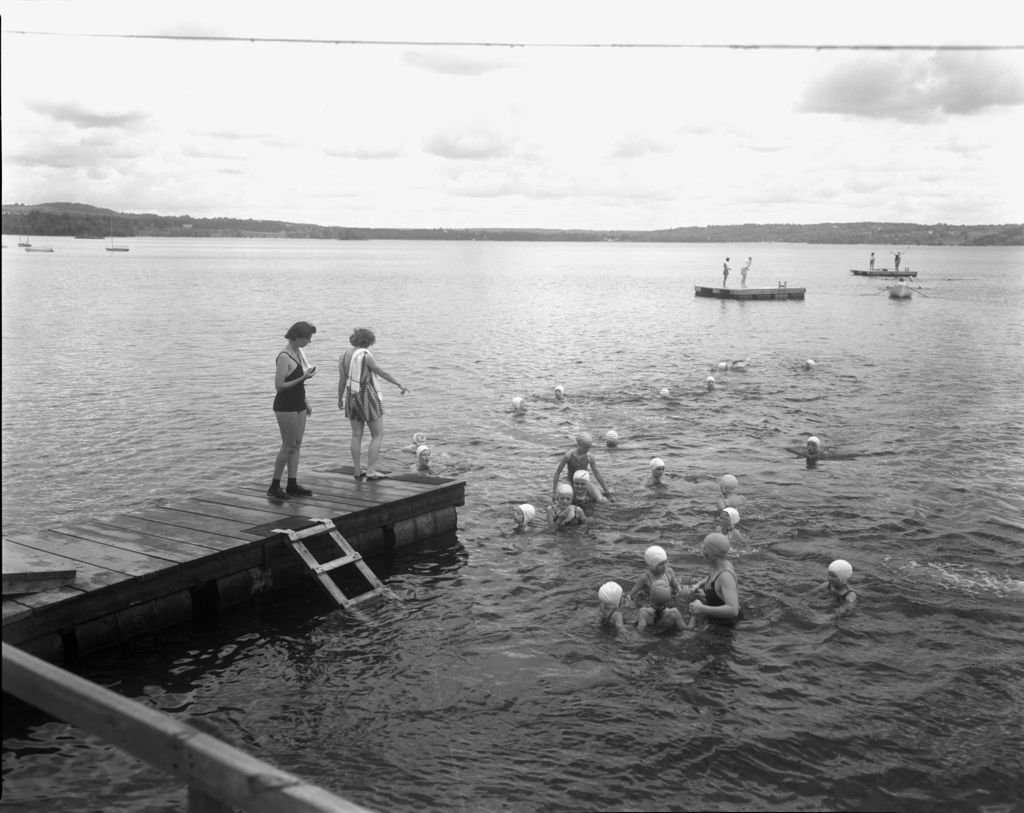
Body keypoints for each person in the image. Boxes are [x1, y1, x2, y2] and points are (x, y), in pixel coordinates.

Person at [338, 327, 408, 481]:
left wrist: (339, 399)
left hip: (351, 396)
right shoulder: (365, 356)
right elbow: (381, 372)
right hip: (366, 396)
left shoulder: (343, 356)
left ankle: (357, 470)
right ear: (369, 342)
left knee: (356, 434)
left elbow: (342, 381)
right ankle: (370, 470)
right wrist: (399, 384)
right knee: (377, 435)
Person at [269, 321, 318, 499]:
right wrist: (303, 377)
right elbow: (279, 386)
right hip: (285, 405)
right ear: (296, 337)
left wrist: (306, 401)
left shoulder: (298, 352)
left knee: (297, 444)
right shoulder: (284, 356)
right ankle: (274, 485)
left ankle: (292, 484)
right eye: (307, 338)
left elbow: (300, 384)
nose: (309, 342)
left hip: (299, 403)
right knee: (287, 446)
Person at [629, 546, 688, 631]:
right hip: (651, 607)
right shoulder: (645, 578)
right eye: (660, 564)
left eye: (665, 562)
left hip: (667, 603)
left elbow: (676, 590)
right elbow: (631, 595)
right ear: (651, 565)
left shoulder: (669, 572)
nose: (664, 566)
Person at [690, 533, 741, 622]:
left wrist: (702, 608)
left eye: (704, 548)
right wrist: (699, 584)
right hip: (717, 620)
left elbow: (733, 610)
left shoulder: (725, 576)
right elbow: (714, 578)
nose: (702, 551)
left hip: (727, 628)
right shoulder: (719, 566)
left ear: (712, 553)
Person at [552, 432, 613, 502]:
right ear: (578, 445)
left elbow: (597, 474)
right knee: (561, 500)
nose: (588, 450)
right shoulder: (568, 456)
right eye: (586, 448)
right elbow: (557, 473)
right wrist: (554, 492)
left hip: (584, 483)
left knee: (602, 500)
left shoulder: (589, 457)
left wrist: (606, 490)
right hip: (571, 482)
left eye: (589, 447)